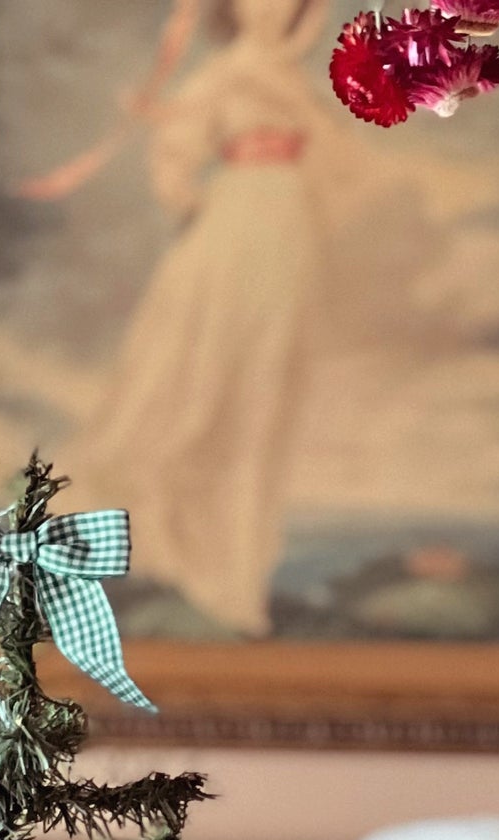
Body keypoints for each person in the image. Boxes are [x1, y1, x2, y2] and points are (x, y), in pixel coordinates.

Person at [67, 0, 363, 635]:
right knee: (201, 387)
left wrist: (313, 190)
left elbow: (340, 167)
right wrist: (195, 202)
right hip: (231, 230)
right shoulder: (221, 77)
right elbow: (174, 155)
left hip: (289, 235)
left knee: (266, 395)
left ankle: (238, 576)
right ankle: (182, 550)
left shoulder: (299, 86)